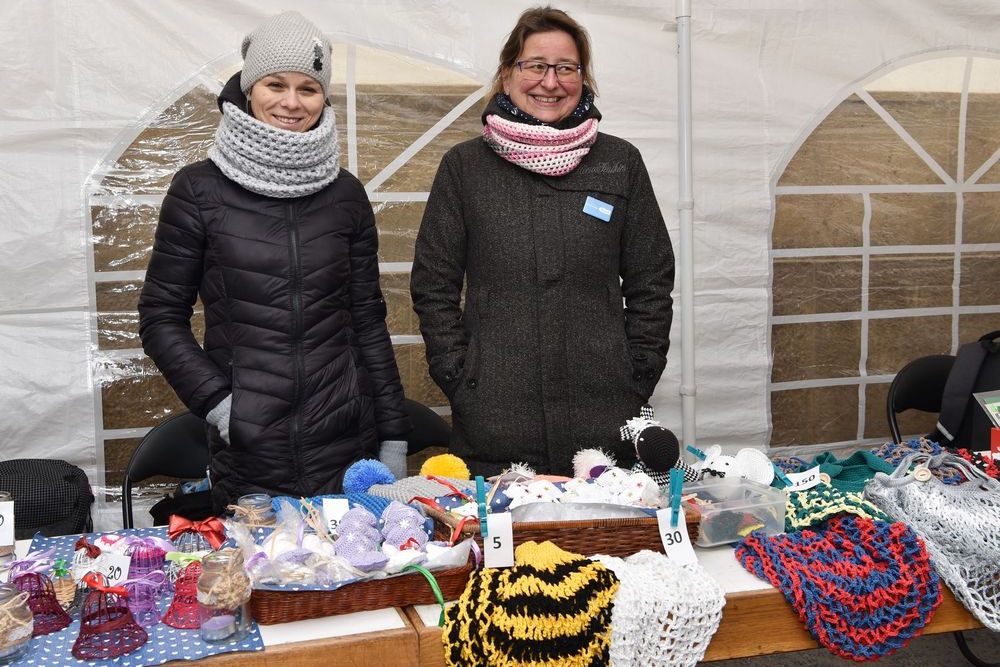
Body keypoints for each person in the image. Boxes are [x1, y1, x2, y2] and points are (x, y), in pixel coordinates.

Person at [139, 11, 410, 514]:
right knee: (267, 565)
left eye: (308, 88)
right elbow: (159, 316)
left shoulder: (346, 195)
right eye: (276, 84)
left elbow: (368, 322)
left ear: (324, 98)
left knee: (352, 562)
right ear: (249, 89)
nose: (291, 102)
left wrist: (393, 433)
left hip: (347, 442)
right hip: (250, 450)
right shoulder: (198, 189)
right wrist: (221, 406)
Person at [410, 6, 674, 477]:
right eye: (535, 65)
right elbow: (434, 285)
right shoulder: (465, 167)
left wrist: (636, 372)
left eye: (566, 68)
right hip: (495, 422)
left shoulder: (620, 162)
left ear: (583, 77)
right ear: (507, 74)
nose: (550, 82)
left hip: (605, 420)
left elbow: (651, 278)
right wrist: (460, 375)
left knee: (610, 525)